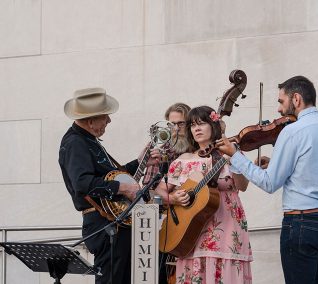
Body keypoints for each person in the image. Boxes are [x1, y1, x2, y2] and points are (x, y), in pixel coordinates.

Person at [217, 76, 318, 284]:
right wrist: (275, 164)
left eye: (281, 101)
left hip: (302, 223)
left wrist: (235, 155)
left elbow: (269, 183)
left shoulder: (293, 131)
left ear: (296, 99)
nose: (278, 109)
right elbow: (313, 167)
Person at [58, 87, 160, 284]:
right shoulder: (75, 143)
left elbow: (109, 177)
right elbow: (83, 183)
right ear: (90, 121)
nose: (109, 121)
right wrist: (124, 188)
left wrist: (139, 162)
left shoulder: (87, 140)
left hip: (112, 222)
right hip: (103, 223)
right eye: (105, 116)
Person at [156, 106, 253, 284]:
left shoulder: (230, 152)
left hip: (227, 228)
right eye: (193, 125)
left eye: (202, 124)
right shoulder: (183, 160)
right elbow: (159, 190)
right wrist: (173, 198)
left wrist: (233, 158)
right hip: (190, 234)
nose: (197, 129)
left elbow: (243, 186)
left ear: (214, 126)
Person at [142, 102, 192, 284]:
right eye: (172, 124)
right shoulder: (158, 145)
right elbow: (147, 186)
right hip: (161, 220)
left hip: (188, 220)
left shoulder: (196, 149)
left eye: (181, 124)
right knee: (159, 274)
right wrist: (170, 198)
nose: (176, 129)